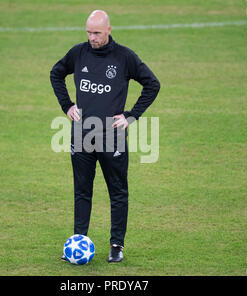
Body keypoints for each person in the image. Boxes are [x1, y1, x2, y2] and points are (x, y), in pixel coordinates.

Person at [50, 10, 160, 263]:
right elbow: (56, 73)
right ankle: (79, 241)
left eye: (97, 33)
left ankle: (116, 245)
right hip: (82, 135)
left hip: (112, 138)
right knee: (82, 191)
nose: (92, 38)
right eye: (89, 32)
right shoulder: (78, 53)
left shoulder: (124, 57)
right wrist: (67, 105)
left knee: (118, 191)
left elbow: (152, 84)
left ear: (109, 29)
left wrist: (131, 116)